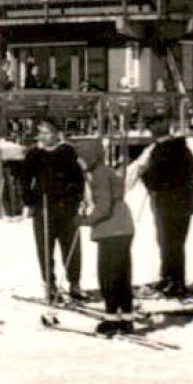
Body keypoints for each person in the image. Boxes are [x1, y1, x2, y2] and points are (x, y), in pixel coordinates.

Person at [19, 118, 85, 301]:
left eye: (46, 132)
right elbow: (25, 180)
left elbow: (78, 178)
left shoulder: (67, 152)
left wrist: (75, 196)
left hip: (66, 207)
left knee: (71, 245)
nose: (42, 136)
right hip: (44, 207)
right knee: (45, 247)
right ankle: (50, 284)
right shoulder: (34, 155)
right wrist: (30, 199)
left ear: (57, 134)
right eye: (40, 132)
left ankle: (75, 283)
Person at [75, 138, 137, 334]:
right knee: (122, 273)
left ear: (90, 157)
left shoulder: (99, 175)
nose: (79, 162)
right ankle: (126, 317)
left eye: (81, 158)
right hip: (123, 227)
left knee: (108, 275)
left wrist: (85, 220)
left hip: (112, 229)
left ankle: (111, 318)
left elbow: (104, 207)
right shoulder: (104, 171)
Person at [139, 118, 193, 297]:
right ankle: (174, 278)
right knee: (176, 243)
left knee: (166, 242)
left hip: (166, 202)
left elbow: (154, 178)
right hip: (184, 202)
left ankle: (171, 280)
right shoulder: (184, 148)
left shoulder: (159, 151)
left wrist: (145, 177)